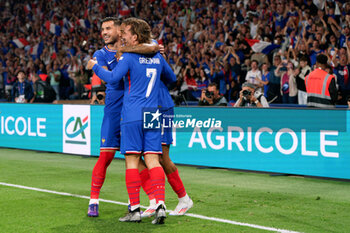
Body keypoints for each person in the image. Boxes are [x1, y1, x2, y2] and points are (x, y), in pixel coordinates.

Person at [87, 17, 176, 224]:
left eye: (123, 31)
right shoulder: (154, 53)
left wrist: (94, 67)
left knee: (132, 160)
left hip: (132, 112)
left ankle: (134, 207)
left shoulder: (127, 55)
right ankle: (160, 204)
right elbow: (171, 78)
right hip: (152, 111)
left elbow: (112, 78)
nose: (105, 32)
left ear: (131, 35)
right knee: (153, 159)